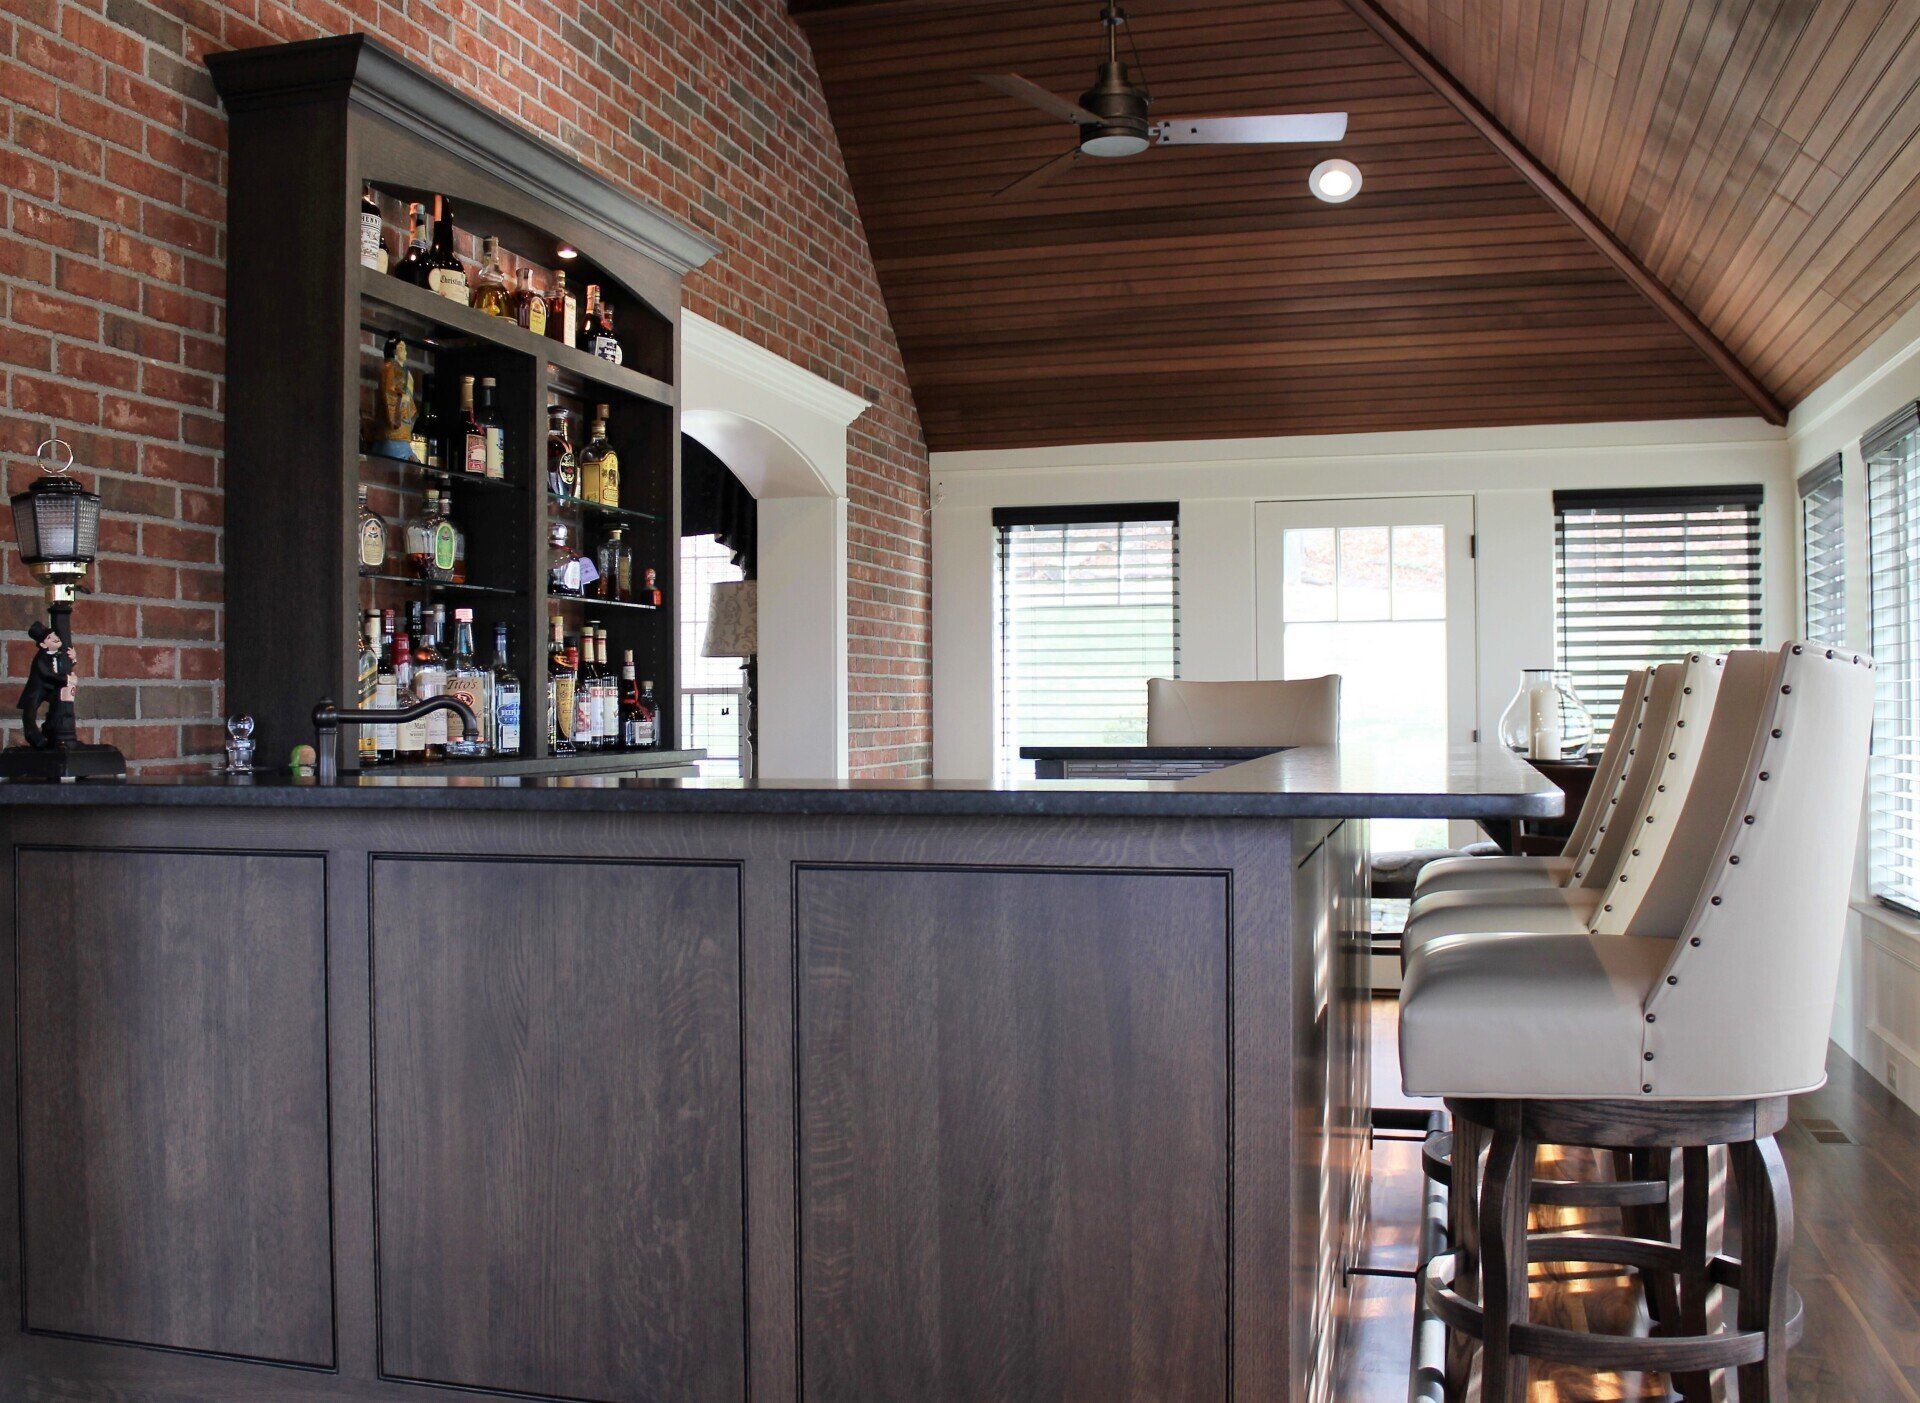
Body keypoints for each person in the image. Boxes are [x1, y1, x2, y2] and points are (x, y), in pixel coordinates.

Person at [17, 619, 76, 750]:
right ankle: (35, 738)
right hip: (37, 689)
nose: (55, 638)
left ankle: (50, 729)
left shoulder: (59, 654)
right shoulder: (41, 659)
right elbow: (48, 675)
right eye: (50, 638)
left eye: (54, 635)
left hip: (51, 688)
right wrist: (67, 679)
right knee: (29, 715)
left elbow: (64, 666)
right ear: (43, 645)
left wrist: (73, 658)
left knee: (58, 708)